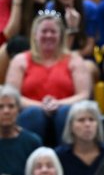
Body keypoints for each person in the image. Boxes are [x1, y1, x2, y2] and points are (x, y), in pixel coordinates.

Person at [5, 10, 92, 146]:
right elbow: (12, 96)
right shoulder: (20, 60)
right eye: (44, 31)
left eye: (53, 32)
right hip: (30, 113)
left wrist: (58, 104)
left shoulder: (74, 60)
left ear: (61, 35)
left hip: (64, 112)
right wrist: (41, 106)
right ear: (35, 35)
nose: (48, 35)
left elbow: (83, 94)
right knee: (34, 114)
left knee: (66, 113)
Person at [0, 0, 50, 83]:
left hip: (24, 59)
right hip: (3, 55)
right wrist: (18, 0)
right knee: (17, 43)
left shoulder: (42, 7)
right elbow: (8, 37)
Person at [46, 0, 99, 73]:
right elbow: (54, 51)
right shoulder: (50, 9)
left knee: (85, 68)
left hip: (83, 58)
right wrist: (71, 29)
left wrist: (69, 57)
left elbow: (88, 49)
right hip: (57, 58)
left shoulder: (90, 9)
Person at [0, 85, 42, 175]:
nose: (6, 111)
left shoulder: (32, 142)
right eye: (0, 107)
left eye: (11, 106)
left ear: (19, 109)